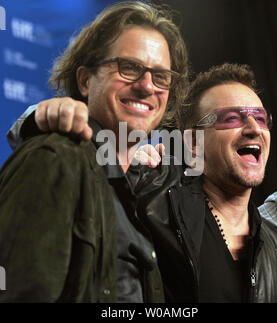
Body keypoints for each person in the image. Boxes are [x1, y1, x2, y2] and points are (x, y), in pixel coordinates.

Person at [17, 63, 277, 303]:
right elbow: (73, 166)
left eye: (261, 119)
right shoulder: (150, 198)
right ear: (192, 144)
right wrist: (46, 116)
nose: (253, 129)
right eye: (231, 118)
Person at [0, 1, 190, 302]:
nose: (147, 86)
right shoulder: (55, 160)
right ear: (85, 80)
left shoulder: (148, 185)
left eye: (161, 76)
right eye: (129, 67)